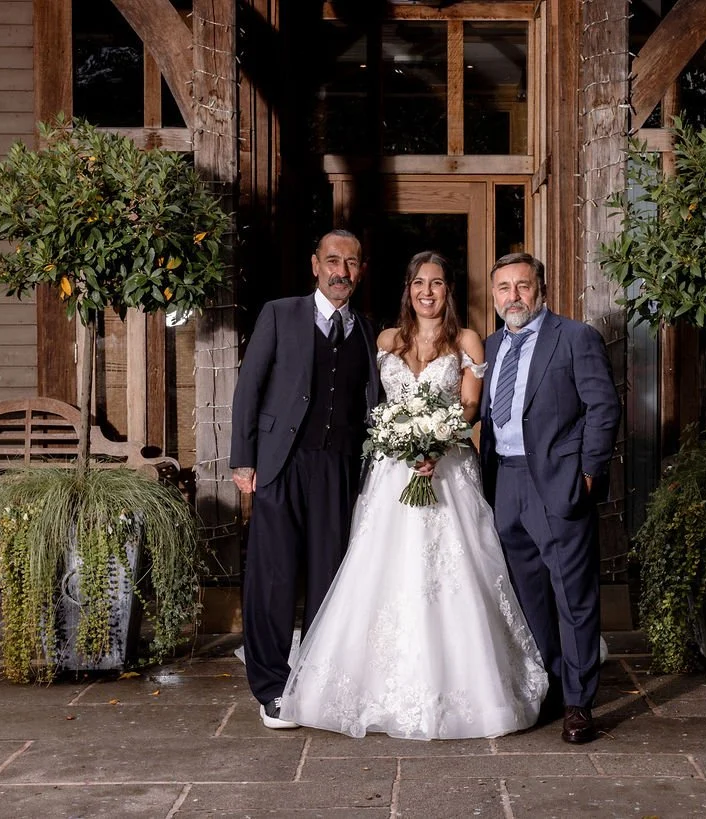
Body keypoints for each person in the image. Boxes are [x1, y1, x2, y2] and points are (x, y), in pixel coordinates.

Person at [280, 251, 548, 740]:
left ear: (449, 291)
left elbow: (470, 406)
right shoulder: (384, 340)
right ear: (408, 288)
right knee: (382, 569)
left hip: (448, 471)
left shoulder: (467, 340)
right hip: (391, 473)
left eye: (439, 283)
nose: (428, 292)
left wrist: (436, 443)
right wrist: (402, 443)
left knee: (455, 571)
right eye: (420, 282)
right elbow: (372, 404)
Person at [230, 229, 380, 730]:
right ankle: (271, 687)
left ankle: (314, 681)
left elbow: (371, 405)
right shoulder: (280, 313)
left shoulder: (365, 329)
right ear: (315, 264)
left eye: (352, 263)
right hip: (280, 463)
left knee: (328, 578)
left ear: (361, 270)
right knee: (272, 578)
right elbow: (249, 387)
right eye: (333, 260)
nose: (342, 271)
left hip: (337, 468)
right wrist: (243, 459)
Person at [479, 252, 622, 745]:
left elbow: (603, 406)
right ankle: (552, 686)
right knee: (529, 599)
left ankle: (580, 704)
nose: (512, 296)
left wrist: (587, 473)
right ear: (493, 294)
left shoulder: (574, 337)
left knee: (573, 598)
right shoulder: (492, 345)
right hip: (506, 484)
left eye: (522, 286)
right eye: (503, 288)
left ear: (540, 290)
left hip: (558, 483)